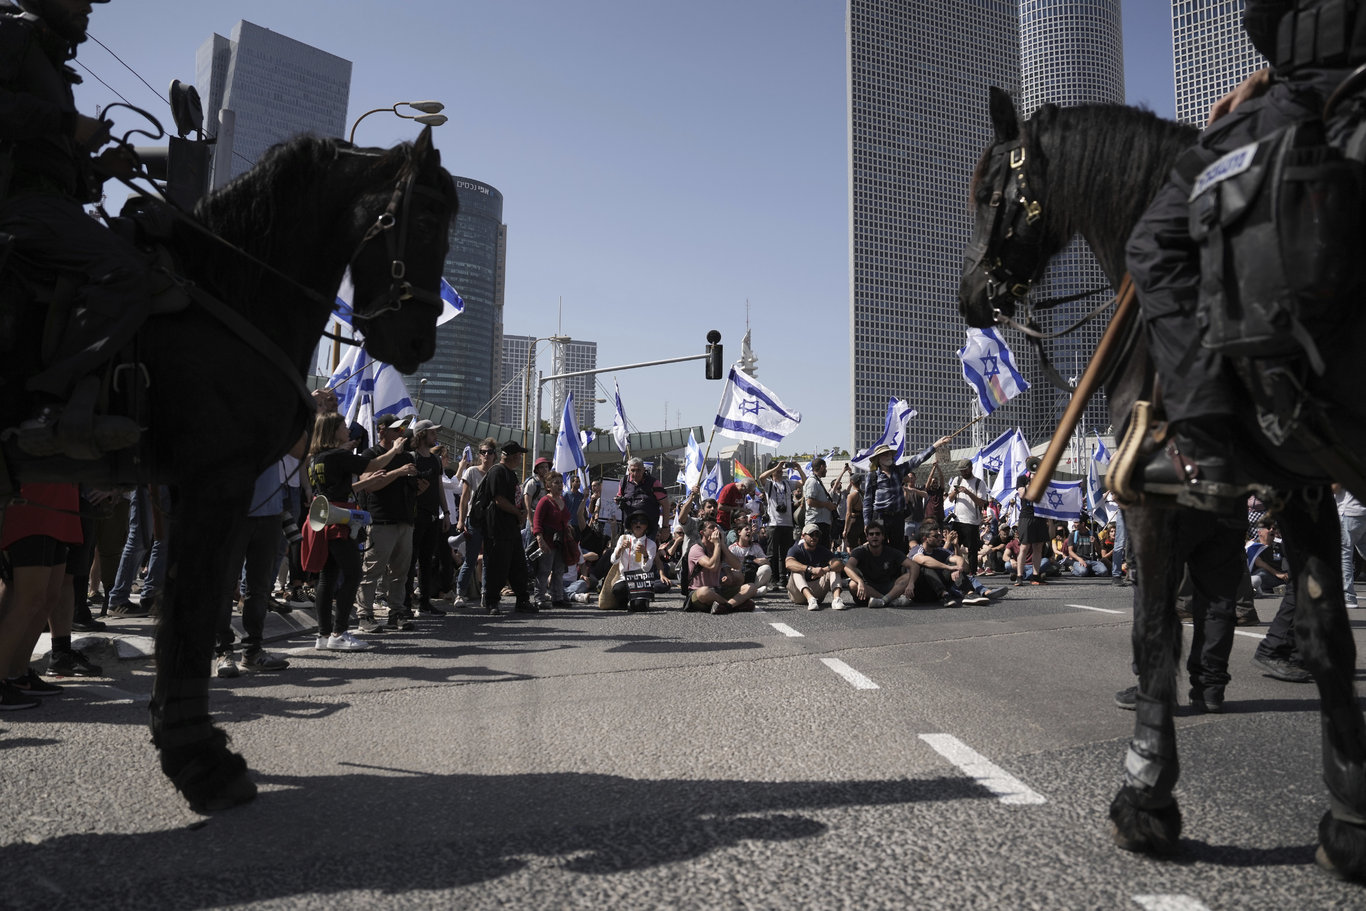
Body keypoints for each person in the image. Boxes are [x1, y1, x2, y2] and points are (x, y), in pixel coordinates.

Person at [1120, 1, 1364, 503]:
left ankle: (1204, 445)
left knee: (1153, 241)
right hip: (1311, 77)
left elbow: (1267, 14)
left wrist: (1277, 76)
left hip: (1311, 86)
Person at [0, 0, 151, 459]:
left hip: (48, 204)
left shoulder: (47, 60)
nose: (87, 5)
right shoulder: (10, 33)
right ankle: (51, 403)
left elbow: (53, 169)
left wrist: (101, 169)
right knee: (126, 272)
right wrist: (67, 123)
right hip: (21, 207)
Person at [303, 411, 406, 651]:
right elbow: (372, 464)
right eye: (343, 427)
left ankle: (323, 634)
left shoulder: (316, 457)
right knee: (351, 575)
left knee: (327, 578)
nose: (347, 431)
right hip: (340, 520)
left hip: (322, 518)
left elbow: (340, 485)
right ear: (333, 431)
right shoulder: (339, 455)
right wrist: (395, 450)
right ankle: (339, 633)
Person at [213, 463, 292, 677]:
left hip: (270, 512)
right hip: (232, 512)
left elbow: (299, 448)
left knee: (259, 589)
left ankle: (252, 652)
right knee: (224, 587)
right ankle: (223, 653)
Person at [353, 414, 419, 632]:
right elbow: (368, 484)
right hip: (381, 520)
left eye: (402, 431)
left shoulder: (407, 457)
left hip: (404, 520)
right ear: (382, 430)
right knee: (372, 570)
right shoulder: (372, 454)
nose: (401, 434)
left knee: (400, 571)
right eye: (396, 430)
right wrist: (398, 472)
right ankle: (365, 615)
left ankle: (396, 612)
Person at [480, 439, 536, 615]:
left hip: (511, 528)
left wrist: (521, 514)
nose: (520, 458)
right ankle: (492, 601)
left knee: (518, 564)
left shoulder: (511, 474)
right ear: (511, 456)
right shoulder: (497, 472)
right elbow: (499, 500)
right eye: (519, 455)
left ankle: (522, 600)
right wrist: (517, 513)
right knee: (498, 566)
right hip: (498, 527)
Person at [408, 419, 448, 617]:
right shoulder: (411, 458)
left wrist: (446, 513)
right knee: (410, 559)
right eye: (432, 433)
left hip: (433, 515)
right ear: (422, 434)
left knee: (427, 560)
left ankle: (425, 602)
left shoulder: (435, 460)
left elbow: (439, 486)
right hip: (415, 515)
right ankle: (406, 603)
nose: (435, 436)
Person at [455, 437, 497, 606]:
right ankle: (460, 593)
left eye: (490, 452)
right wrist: (460, 521)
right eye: (483, 452)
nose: (486, 455)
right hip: (474, 520)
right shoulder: (471, 471)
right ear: (479, 455)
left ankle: (485, 594)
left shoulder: (496, 472)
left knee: (488, 559)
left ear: (495, 455)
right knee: (471, 559)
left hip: (492, 521)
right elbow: (464, 499)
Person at [685, 519, 756, 614]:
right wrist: (717, 544)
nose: (715, 530)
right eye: (711, 528)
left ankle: (727, 606)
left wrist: (722, 545)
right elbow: (712, 566)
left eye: (716, 527)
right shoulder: (696, 548)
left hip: (717, 590)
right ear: (702, 532)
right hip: (698, 592)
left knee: (751, 587)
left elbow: (737, 565)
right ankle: (733, 605)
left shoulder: (719, 547)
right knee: (705, 592)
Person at [843, 520, 915, 607]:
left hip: (889, 588)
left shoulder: (891, 551)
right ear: (867, 537)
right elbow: (848, 567)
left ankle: (883, 601)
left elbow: (914, 566)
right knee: (853, 584)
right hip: (868, 589)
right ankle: (887, 600)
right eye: (871, 534)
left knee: (908, 577)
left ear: (883, 536)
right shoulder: (859, 551)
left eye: (877, 534)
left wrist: (911, 583)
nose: (874, 536)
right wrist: (860, 581)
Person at [608, 512, 670, 612]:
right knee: (618, 590)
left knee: (639, 607)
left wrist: (645, 554)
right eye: (635, 522)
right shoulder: (623, 538)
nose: (638, 524)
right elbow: (613, 561)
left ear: (646, 527)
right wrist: (620, 549)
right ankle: (624, 600)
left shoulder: (651, 544)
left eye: (642, 522)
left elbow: (646, 568)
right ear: (630, 525)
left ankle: (639, 600)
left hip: (641, 580)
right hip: (624, 578)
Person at [532, 470, 574, 608]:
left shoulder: (562, 500)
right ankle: (540, 598)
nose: (560, 485)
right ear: (548, 486)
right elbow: (536, 523)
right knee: (544, 570)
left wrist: (568, 528)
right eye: (556, 483)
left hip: (561, 542)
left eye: (561, 483)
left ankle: (558, 598)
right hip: (548, 541)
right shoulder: (544, 501)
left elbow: (565, 518)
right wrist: (540, 540)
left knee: (559, 571)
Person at [759, 460, 803, 588]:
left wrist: (799, 469)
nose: (779, 470)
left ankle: (783, 580)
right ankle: (773, 580)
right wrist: (775, 468)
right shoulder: (769, 484)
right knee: (772, 553)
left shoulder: (787, 483)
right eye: (776, 468)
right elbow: (761, 477)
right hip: (773, 523)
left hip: (788, 523)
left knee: (785, 553)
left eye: (780, 468)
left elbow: (803, 483)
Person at [785, 524, 847, 611]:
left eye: (817, 535)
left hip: (817, 590)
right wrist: (810, 569)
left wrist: (825, 570)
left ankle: (837, 600)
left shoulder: (822, 550)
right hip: (798, 593)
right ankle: (810, 599)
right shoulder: (796, 549)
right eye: (811, 534)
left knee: (834, 569)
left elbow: (839, 564)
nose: (814, 537)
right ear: (803, 536)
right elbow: (788, 563)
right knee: (796, 570)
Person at [946, 459, 990, 576]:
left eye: (965, 471)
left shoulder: (979, 483)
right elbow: (950, 499)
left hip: (971, 521)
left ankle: (972, 572)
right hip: (957, 519)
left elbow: (982, 503)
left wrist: (968, 492)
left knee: (972, 549)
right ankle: (955, 570)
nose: (963, 473)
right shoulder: (957, 479)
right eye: (961, 471)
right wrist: (955, 491)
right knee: (954, 545)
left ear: (970, 468)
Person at [616, 457, 663, 535]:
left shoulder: (654, 483)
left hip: (648, 530)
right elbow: (618, 497)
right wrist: (618, 500)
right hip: (629, 528)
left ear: (644, 469)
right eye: (633, 470)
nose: (635, 473)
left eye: (638, 470)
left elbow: (665, 504)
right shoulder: (623, 482)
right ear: (629, 471)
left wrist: (665, 527)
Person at [729, 521, 773, 592]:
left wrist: (756, 560)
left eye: (750, 530)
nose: (749, 531)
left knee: (766, 568)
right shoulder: (733, 548)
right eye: (746, 529)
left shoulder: (756, 546)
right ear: (739, 532)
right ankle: (751, 591)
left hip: (753, 576)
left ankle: (751, 591)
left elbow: (767, 562)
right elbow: (728, 567)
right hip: (740, 577)